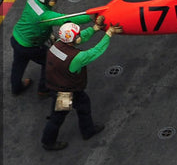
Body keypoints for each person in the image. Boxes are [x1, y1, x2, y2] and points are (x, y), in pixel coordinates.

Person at [40, 19, 121, 151]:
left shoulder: (57, 44)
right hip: (66, 92)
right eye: (77, 35)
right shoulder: (76, 58)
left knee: (81, 105)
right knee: (59, 116)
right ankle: (49, 141)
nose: (79, 36)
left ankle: (87, 130)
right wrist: (108, 34)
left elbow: (79, 38)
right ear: (72, 39)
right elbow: (95, 51)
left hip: (55, 85)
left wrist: (94, 29)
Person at [8, 0, 93, 96]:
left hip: (16, 38)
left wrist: (50, 35)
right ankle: (43, 89)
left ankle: (16, 88)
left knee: (18, 65)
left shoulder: (31, 1)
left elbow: (41, 25)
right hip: (30, 46)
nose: (54, 1)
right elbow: (67, 19)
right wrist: (90, 17)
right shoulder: (45, 15)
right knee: (48, 61)